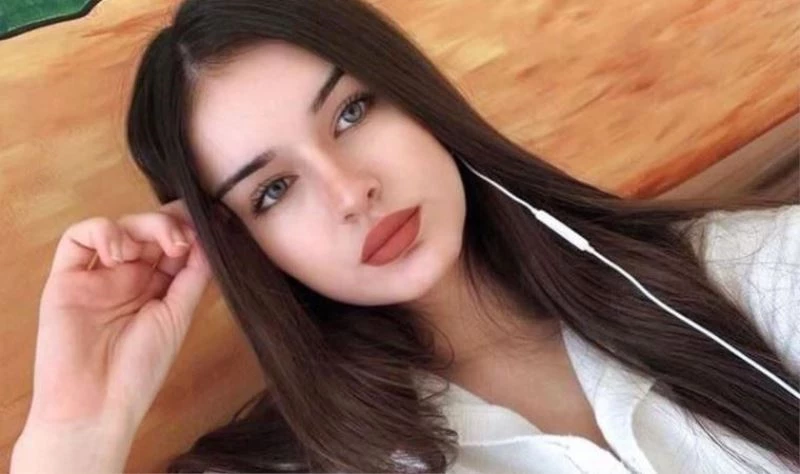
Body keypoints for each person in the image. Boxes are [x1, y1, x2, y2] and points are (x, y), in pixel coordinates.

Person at [10, 0, 799, 472]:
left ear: (417, 98)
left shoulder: (747, 271)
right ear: (238, 243)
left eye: (352, 113)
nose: (349, 191)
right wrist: (74, 430)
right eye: (273, 190)